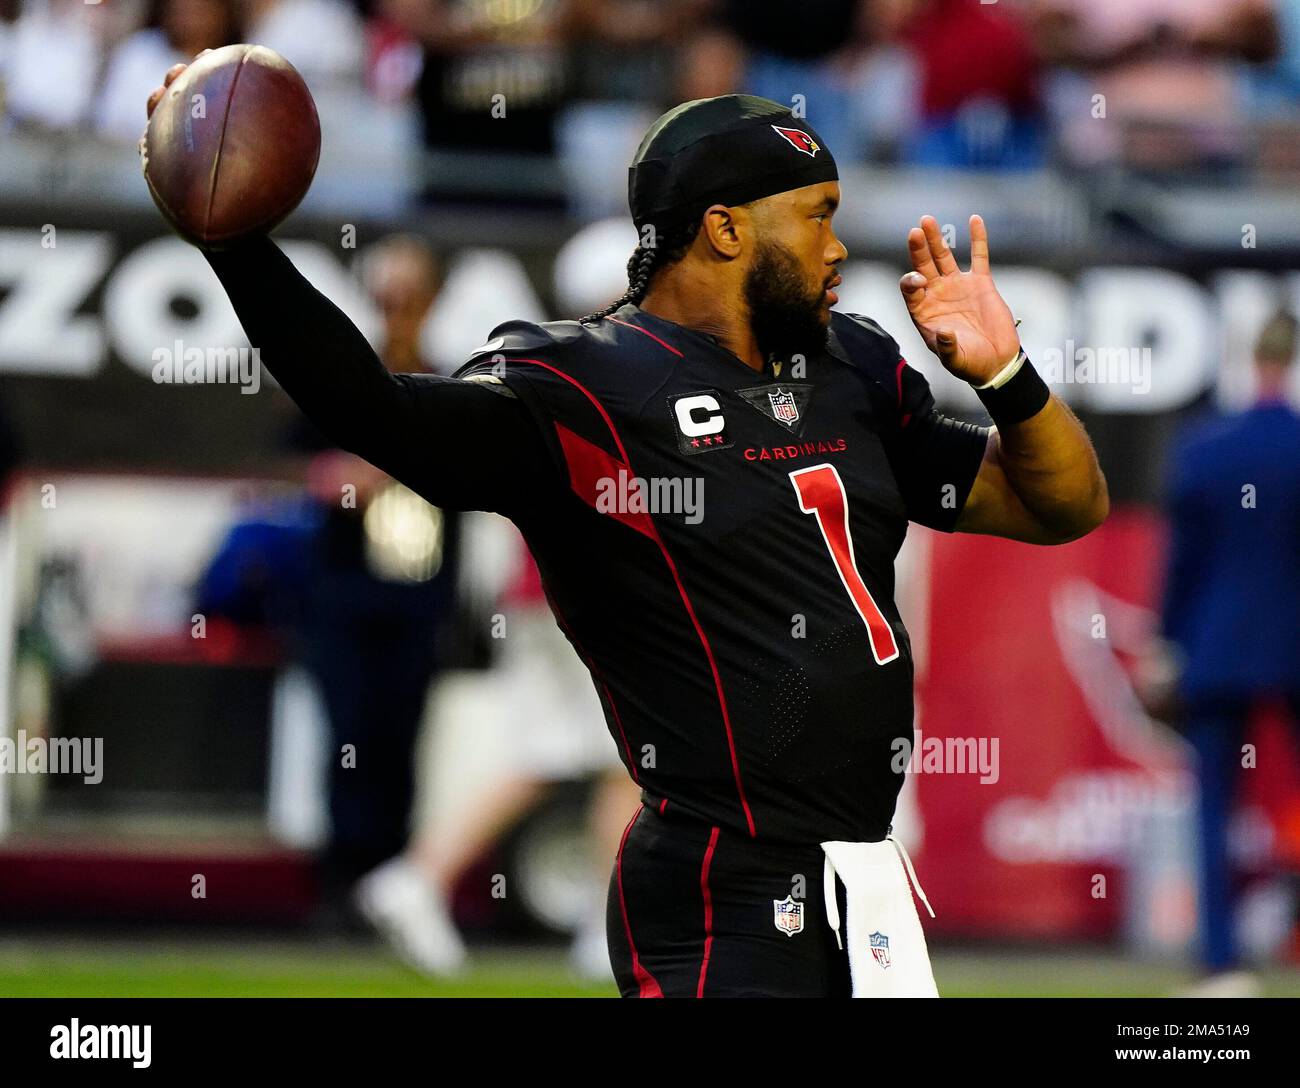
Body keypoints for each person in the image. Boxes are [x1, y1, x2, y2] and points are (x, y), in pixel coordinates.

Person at [144, 73, 1108, 995]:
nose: (838, 248)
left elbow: (1063, 505)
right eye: (816, 214)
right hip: (718, 880)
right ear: (726, 228)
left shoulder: (850, 365)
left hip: (862, 876)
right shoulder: (586, 385)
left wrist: (1007, 374)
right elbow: (376, 413)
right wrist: (240, 249)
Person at [1158, 310, 1300, 996]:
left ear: (1252, 358)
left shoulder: (1209, 448)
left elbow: (1181, 563)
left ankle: (1221, 959)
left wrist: (1168, 642)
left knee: (1213, 805)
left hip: (1219, 642)